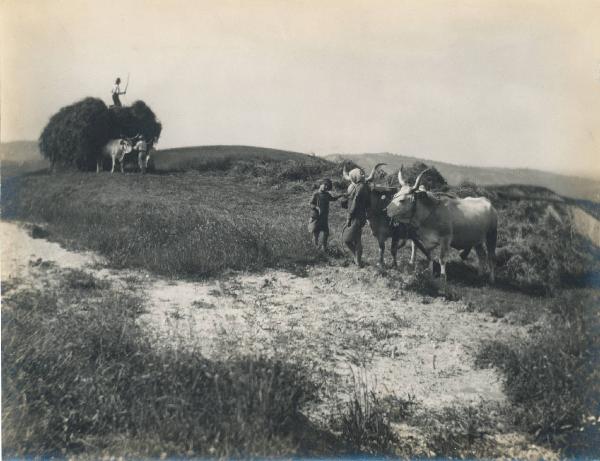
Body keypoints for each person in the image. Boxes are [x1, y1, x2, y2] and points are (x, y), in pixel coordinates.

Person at [342, 168, 370, 267]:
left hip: (355, 216)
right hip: (360, 216)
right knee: (357, 239)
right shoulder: (364, 186)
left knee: (347, 239)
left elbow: (356, 202)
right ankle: (358, 261)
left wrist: (349, 216)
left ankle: (357, 259)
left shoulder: (360, 187)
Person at [308, 178, 341, 251]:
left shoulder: (327, 194)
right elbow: (310, 203)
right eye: (325, 185)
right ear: (321, 184)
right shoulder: (316, 194)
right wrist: (316, 207)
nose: (325, 187)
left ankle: (324, 248)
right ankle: (315, 248)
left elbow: (333, 199)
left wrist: (340, 196)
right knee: (316, 233)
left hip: (324, 217)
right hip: (316, 217)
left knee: (326, 232)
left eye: (327, 186)